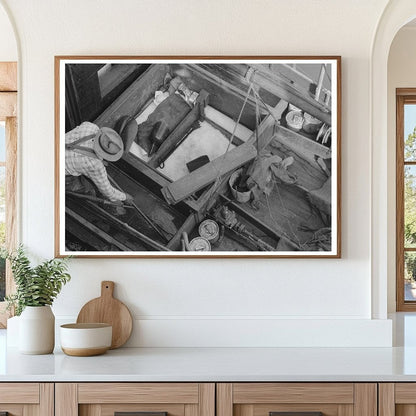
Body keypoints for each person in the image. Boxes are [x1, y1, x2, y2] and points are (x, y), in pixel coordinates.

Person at [65, 121, 133, 204]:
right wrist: (125, 197)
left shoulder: (90, 126)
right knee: (87, 190)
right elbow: (107, 191)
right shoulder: (95, 165)